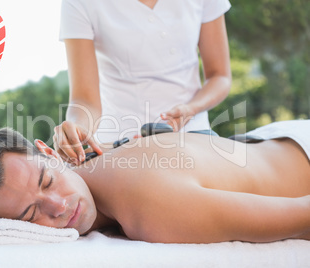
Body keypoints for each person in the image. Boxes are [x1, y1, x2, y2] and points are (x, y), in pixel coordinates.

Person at [0, 120, 310, 244]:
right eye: (30, 216)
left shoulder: (150, 206)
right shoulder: (99, 167)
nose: (59, 207)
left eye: (47, 180)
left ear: (49, 153)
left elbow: (300, 217)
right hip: (270, 142)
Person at [55, 0, 233, 165]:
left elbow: (220, 77)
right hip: (122, 146)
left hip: (194, 137)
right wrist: (76, 127)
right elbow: (85, 99)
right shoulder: (79, 3)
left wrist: (191, 109)